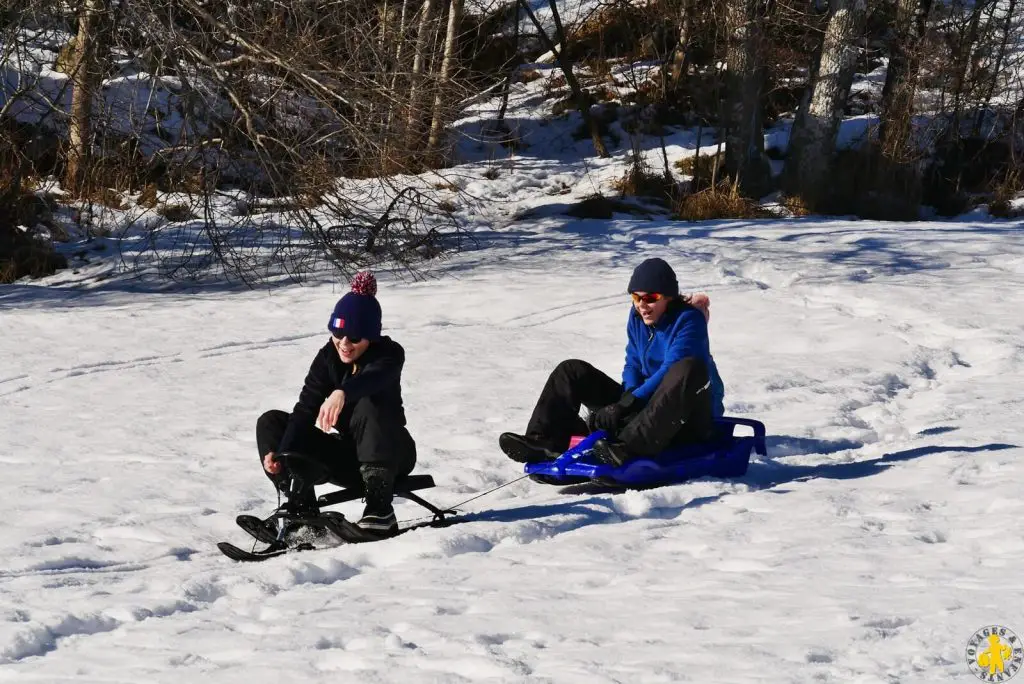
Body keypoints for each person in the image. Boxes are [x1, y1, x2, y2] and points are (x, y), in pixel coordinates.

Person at [499, 257, 725, 467]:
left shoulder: (689, 321)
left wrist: (629, 403)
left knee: (687, 368)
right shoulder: (637, 317)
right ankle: (543, 440)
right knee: (571, 370)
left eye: (650, 298)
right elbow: (633, 362)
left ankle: (628, 448)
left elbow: (669, 369)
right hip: (649, 408)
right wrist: (626, 399)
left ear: (668, 296)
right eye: (636, 297)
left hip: (689, 416)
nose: (642, 305)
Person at [255, 271, 415, 538]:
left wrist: (342, 392)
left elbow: (374, 378)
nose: (344, 343)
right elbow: (305, 409)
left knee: (368, 403)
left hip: (393, 455)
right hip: (348, 460)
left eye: (353, 338)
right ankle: (301, 512)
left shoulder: (390, 354)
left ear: (371, 337)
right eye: (337, 333)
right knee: (272, 422)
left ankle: (381, 510)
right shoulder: (327, 358)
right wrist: (282, 453)